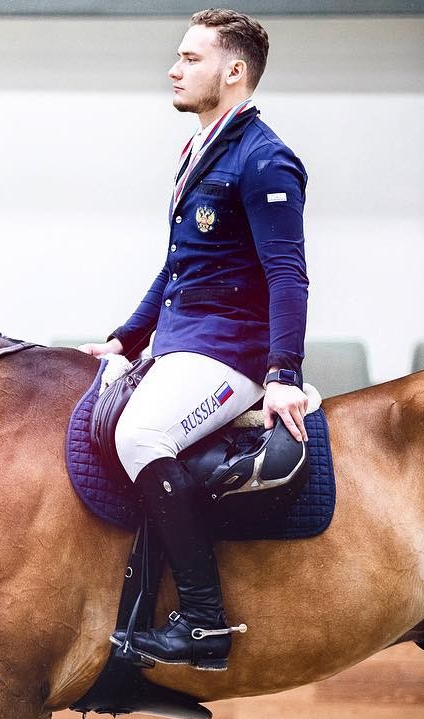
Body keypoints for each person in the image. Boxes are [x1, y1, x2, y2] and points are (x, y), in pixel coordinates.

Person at [78, 8, 309, 671]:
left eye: (190, 58)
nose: (174, 69)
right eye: (177, 58)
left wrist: (283, 372)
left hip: (231, 353)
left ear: (233, 72)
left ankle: (203, 623)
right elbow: (182, 263)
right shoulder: (204, 149)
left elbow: (287, 273)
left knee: (140, 435)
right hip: (184, 342)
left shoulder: (265, 160)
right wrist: (129, 337)